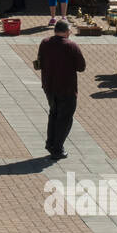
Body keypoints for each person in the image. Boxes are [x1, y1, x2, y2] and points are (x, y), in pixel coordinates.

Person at [37, 19, 86, 159]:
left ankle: (50, 142)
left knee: (53, 114)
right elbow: (81, 67)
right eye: (69, 30)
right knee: (64, 118)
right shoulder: (71, 46)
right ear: (66, 31)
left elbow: (39, 61)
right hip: (66, 88)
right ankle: (57, 148)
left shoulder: (45, 43)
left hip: (49, 86)